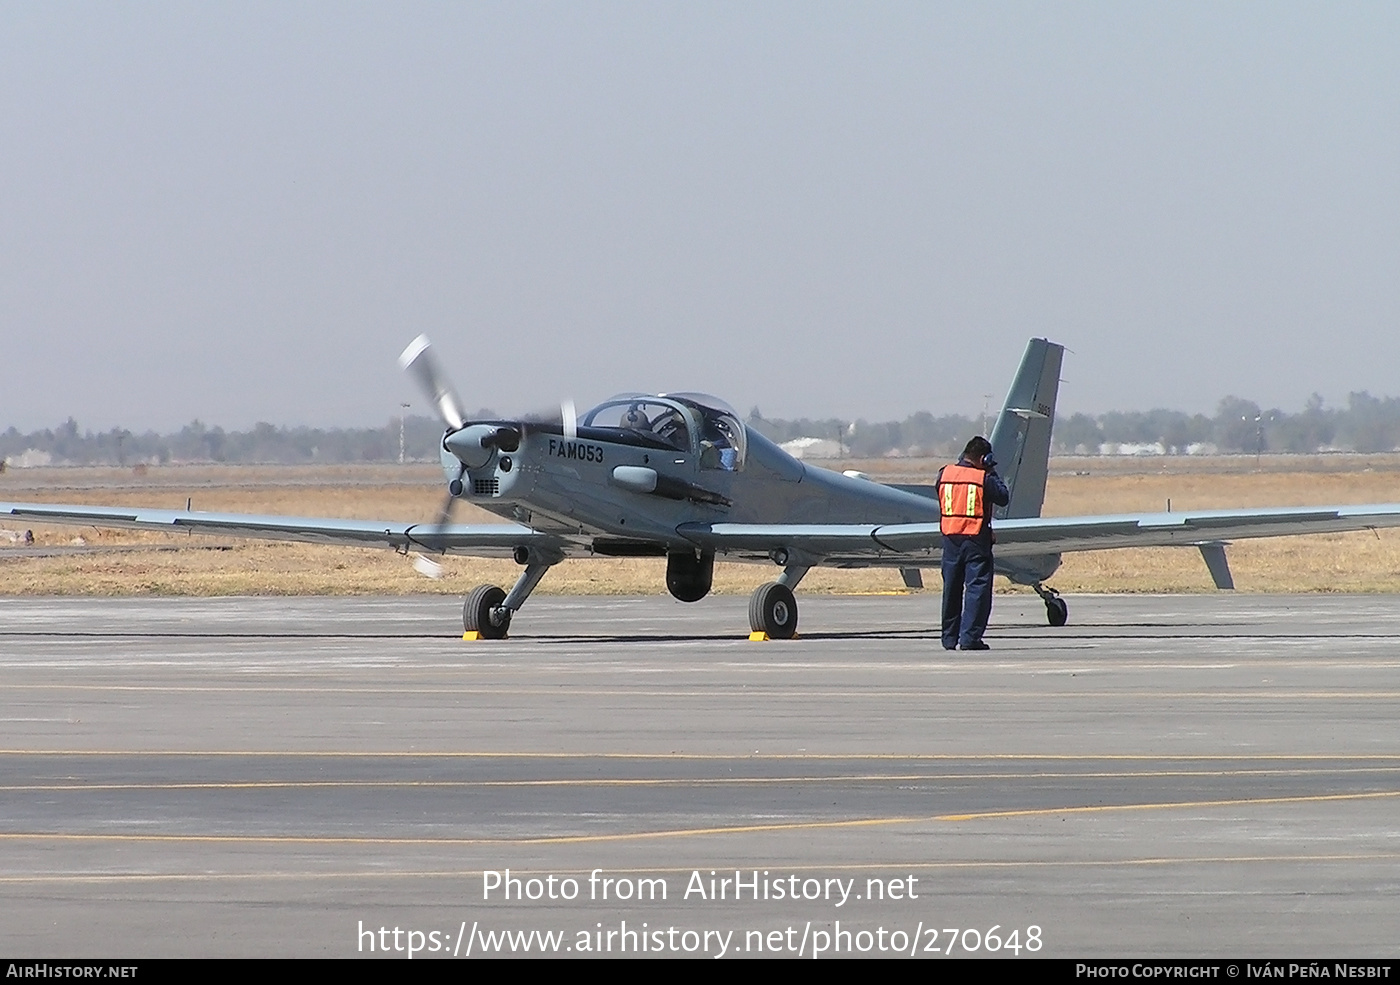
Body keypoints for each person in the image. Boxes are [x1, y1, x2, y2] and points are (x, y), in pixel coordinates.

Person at [936, 436, 1010, 651]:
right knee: (977, 589)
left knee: (951, 589)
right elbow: (1003, 496)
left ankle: (949, 639)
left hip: (950, 538)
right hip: (975, 538)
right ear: (983, 458)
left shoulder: (944, 474)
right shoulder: (982, 478)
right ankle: (970, 639)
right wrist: (990, 472)